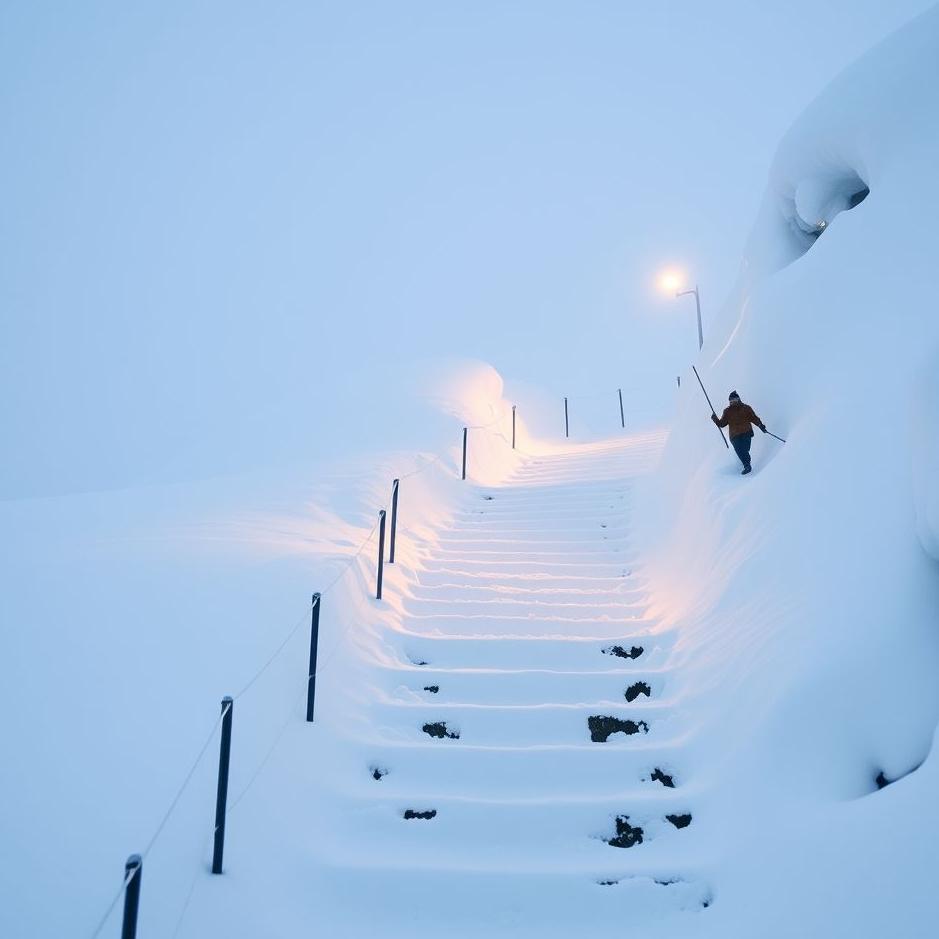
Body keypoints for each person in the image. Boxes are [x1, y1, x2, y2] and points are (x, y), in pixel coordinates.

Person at [712, 391, 766, 475]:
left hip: (746, 432)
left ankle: (746, 462)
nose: (732, 402)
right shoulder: (727, 411)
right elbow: (722, 424)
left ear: (738, 399)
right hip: (734, 435)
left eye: (734, 400)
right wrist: (715, 419)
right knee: (739, 450)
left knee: (745, 449)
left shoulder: (746, 408)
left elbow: (754, 418)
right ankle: (747, 465)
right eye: (731, 401)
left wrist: (760, 425)